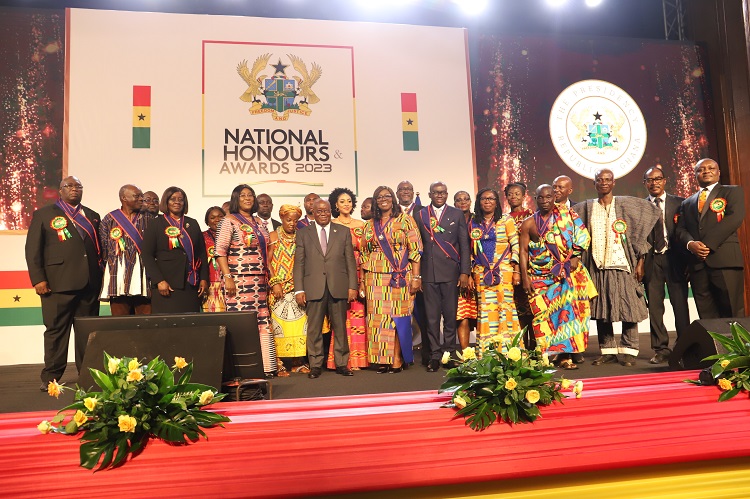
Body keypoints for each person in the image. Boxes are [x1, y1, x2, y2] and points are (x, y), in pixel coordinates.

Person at [573, 169, 661, 367]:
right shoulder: (587, 207)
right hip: (597, 265)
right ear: (594, 183)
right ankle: (608, 350)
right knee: (602, 307)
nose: (603, 183)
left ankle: (629, 350)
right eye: (599, 180)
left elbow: (642, 228)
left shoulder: (625, 204)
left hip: (623, 265)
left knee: (628, 306)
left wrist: (640, 262)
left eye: (607, 180)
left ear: (613, 183)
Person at [25, 175, 102, 390]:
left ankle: (87, 375)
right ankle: (51, 377)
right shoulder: (44, 214)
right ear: (60, 190)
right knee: (56, 331)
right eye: (69, 186)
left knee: (87, 333)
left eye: (78, 186)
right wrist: (38, 279)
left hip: (89, 284)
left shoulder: (93, 216)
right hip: (57, 284)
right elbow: (33, 250)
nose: (74, 189)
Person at [519, 185, 596, 370]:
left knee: (565, 316)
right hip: (538, 277)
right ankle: (546, 355)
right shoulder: (528, 223)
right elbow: (523, 252)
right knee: (541, 316)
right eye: (540, 198)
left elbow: (584, 237)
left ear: (554, 197)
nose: (545, 201)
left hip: (563, 275)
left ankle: (564, 356)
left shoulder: (568, 217)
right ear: (535, 199)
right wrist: (525, 277)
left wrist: (575, 256)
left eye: (548, 197)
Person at [215, 184, 276, 377]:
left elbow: (268, 247)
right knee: (242, 323)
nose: (248, 198)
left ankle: (266, 367)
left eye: (251, 195)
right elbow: (220, 252)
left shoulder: (259, 222)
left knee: (262, 321)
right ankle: (242, 369)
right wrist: (228, 277)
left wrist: (269, 273)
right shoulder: (228, 221)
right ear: (236, 199)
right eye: (243, 196)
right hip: (239, 281)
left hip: (259, 281)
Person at [360, 186, 422, 373]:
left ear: (393, 199)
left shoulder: (405, 220)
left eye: (387, 196)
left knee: (398, 317)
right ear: (375, 201)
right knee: (378, 320)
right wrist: (362, 281)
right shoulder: (370, 224)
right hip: (375, 278)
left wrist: (416, 277)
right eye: (379, 197)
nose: (383, 199)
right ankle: (382, 360)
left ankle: (397, 358)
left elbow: (416, 250)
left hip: (400, 276)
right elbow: (364, 254)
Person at [294, 199, 358, 379]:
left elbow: (350, 262)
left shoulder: (343, 232)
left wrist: (353, 285)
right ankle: (315, 365)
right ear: (312, 212)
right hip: (313, 287)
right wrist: (299, 289)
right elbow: (299, 263)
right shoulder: (303, 233)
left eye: (326, 211)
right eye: (319, 211)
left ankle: (342, 363)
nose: (323, 214)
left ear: (331, 211)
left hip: (338, 286)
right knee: (314, 329)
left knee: (340, 328)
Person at [676, 158, 746, 318]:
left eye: (711, 168)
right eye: (701, 169)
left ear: (718, 172)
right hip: (698, 266)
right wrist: (691, 244)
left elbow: (734, 218)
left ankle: (735, 344)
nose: (706, 171)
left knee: (732, 311)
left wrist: (705, 246)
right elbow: (680, 229)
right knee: (706, 315)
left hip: (724, 261)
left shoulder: (732, 191)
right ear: (695, 175)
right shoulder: (687, 202)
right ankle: (712, 344)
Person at [415, 181, 470, 371]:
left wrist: (465, 272)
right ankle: (435, 355)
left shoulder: (456, 214)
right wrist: (417, 276)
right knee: (431, 318)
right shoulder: (420, 214)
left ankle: (448, 353)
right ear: (429, 194)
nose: (439, 195)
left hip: (451, 273)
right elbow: (417, 245)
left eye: (443, 192)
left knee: (449, 316)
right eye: (436, 192)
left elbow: (464, 244)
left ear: (447, 195)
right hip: (428, 273)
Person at [641, 167, 690, 364]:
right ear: (645, 183)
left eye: (658, 179)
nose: (654, 183)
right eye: (649, 180)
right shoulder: (641, 207)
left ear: (665, 180)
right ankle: (661, 348)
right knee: (655, 307)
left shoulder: (680, 203)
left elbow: (687, 231)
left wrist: (687, 261)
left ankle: (684, 345)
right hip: (652, 260)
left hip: (675, 260)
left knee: (680, 305)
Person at [468, 187, 521, 355]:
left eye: (491, 199)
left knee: (505, 309)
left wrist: (517, 270)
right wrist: (470, 272)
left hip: (503, 271)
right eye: (484, 198)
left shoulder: (506, 220)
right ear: (479, 202)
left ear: (497, 202)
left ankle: (509, 351)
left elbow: (516, 245)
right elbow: (470, 250)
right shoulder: (473, 222)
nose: (487, 201)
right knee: (485, 310)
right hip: (481, 273)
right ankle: (486, 352)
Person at [142, 186, 208, 314]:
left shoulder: (192, 223)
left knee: (190, 325)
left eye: (181, 199)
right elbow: (147, 255)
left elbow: (201, 253)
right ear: (166, 202)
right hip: (167, 285)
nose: (177, 202)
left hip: (191, 284)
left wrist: (204, 278)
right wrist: (159, 280)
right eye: (173, 199)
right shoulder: (156, 223)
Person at [326, 187, 368, 370]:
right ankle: (343, 360)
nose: (346, 204)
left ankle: (360, 360)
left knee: (359, 315)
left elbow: (367, 253)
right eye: (342, 201)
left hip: (360, 273)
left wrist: (364, 279)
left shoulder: (362, 225)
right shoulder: (330, 225)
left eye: (349, 201)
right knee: (340, 318)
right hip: (339, 274)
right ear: (335, 204)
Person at [268, 204, 308, 376]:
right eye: (288, 220)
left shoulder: (302, 236)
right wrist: (275, 282)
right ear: (281, 218)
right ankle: (278, 364)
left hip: (297, 287)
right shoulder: (273, 236)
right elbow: (267, 262)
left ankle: (298, 362)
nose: (292, 223)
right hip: (279, 288)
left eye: (295, 220)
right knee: (278, 326)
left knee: (300, 326)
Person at [99, 184, 152, 315]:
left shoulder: (148, 218)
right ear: (124, 198)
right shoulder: (109, 219)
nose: (141, 199)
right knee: (120, 323)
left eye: (142, 196)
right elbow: (103, 249)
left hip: (143, 277)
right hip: (118, 278)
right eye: (137, 196)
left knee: (146, 321)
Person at [396, 179, 428, 365]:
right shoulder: (391, 212)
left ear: (413, 191)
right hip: (396, 273)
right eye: (402, 189)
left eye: (408, 189)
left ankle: (426, 353)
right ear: (397, 193)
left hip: (419, 269)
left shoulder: (422, 211)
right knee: (400, 316)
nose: (405, 192)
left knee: (422, 314)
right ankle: (401, 354)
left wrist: (420, 274)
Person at [505, 182, 535, 349]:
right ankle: (523, 345)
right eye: (510, 194)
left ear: (524, 196)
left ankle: (536, 344)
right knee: (519, 309)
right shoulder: (504, 219)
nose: (514, 197)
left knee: (532, 306)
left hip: (531, 267)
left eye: (517, 194)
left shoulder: (533, 216)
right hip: (512, 269)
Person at [454, 190, 477, 350]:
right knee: (462, 313)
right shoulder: (451, 220)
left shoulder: (478, 220)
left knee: (481, 314)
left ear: (471, 201)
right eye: (459, 200)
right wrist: (465, 272)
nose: (463, 202)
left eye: (466, 199)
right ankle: (466, 354)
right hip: (459, 272)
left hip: (481, 272)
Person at [201, 206, 226, 313]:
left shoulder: (232, 236)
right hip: (210, 283)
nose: (217, 220)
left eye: (221, 216)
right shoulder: (202, 237)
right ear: (207, 221)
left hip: (229, 282)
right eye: (213, 217)